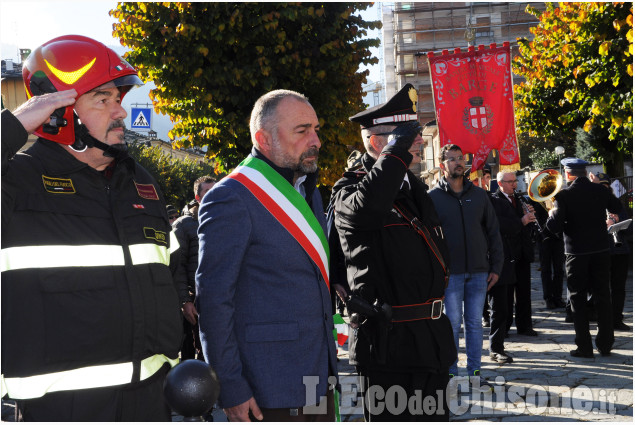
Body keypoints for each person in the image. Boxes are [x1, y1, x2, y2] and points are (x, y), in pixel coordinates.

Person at [1, 35, 182, 421]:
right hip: (61, 409)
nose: (119, 112)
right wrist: (12, 127)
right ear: (59, 112)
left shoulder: (140, 181)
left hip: (152, 401)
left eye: (120, 99)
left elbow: (171, 266)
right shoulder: (17, 179)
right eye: (103, 99)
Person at [196, 89, 337, 422]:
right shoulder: (230, 197)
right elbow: (214, 301)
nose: (315, 139)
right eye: (302, 131)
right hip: (266, 386)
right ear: (264, 138)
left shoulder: (308, 193)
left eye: (316, 129)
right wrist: (230, 386)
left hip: (317, 375)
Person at [332, 83, 456, 420]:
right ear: (376, 142)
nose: (418, 140)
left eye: (414, 133)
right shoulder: (349, 189)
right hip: (389, 344)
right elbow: (368, 209)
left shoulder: (413, 187)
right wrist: (396, 151)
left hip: (431, 340)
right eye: (406, 133)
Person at [428, 144, 503, 382]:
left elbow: (493, 233)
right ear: (442, 165)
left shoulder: (480, 196)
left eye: (460, 158)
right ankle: (451, 372)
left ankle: (474, 372)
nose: (458, 162)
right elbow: (428, 239)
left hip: (479, 272)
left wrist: (496, 268)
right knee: (451, 324)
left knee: (473, 323)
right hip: (450, 274)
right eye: (452, 159)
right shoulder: (432, 198)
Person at [544, 158, 623, 358]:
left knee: (577, 299)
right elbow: (616, 207)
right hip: (601, 251)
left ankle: (584, 347)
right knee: (603, 296)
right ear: (585, 172)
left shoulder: (563, 195)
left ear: (568, 174)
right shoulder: (601, 190)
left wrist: (552, 212)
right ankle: (605, 344)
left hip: (576, 253)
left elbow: (554, 228)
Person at [172, 176, 216, 361]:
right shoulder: (183, 225)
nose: (214, 194)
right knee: (200, 354)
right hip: (196, 301)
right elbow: (177, 267)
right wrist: (184, 301)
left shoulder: (225, 219)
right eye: (208, 191)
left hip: (223, 300)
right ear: (197, 198)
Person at [493, 172, 539, 336]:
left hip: (522, 252)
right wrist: (522, 221)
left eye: (515, 181)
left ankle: (525, 326)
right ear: (500, 183)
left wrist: (532, 218)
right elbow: (499, 225)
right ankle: (503, 327)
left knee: (524, 291)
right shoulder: (495, 200)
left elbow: (530, 224)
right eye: (510, 182)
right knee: (505, 293)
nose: (514, 184)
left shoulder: (521, 199)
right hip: (506, 253)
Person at [590, 172, 632, 331]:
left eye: (606, 186)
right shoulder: (591, 205)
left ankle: (617, 318)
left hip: (620, 251)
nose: (604, 189)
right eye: (601, 186)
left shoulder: (617, 204)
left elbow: (630, 230)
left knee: (619, 287)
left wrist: (619, 221)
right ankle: (601, 317)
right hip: (600, 251)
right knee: (600, 287)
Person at [530, 180, 566, 310]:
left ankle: (558, 297)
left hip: (558, 238)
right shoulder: (537, 202)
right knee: (545, 270)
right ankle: (548, 298)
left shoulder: (558, 199)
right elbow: (537, 221)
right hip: (544, 239)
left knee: (559, 269)